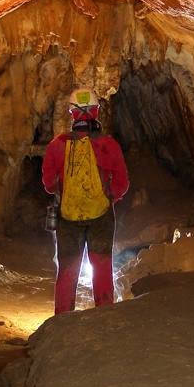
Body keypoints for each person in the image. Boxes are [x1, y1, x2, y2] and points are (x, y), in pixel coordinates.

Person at [42, 87, 129, 314]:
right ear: (96, 112)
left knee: (68, 269)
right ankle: (105, 314)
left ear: (72, 113)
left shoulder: (57, 145)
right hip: (101, 215)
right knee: (101, 266)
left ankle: (62, 318)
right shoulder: (108, 145)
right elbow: (122, 182)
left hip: (68, 216)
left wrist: (64, 190)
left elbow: (49, 183)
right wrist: (110, 196)